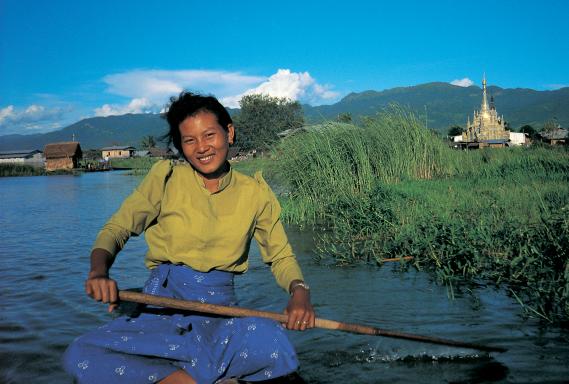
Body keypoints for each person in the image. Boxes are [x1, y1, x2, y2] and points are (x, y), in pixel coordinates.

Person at [63, 91, 315, 384]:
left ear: (229, 132)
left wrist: (300, 292)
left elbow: (281, 256)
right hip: (161, 305)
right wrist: (98, 272)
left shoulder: (256, 193)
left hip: (219, 311)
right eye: (190, 140)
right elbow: (116, 230)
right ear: (181, 146)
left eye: (209, 135)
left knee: (271, 340)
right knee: (80, 353)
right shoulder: (166, 178)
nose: (202, 148)